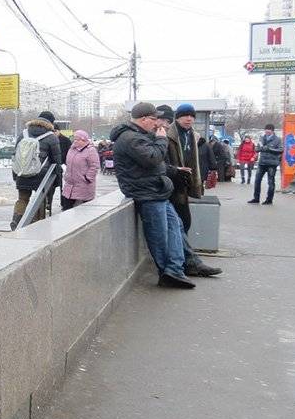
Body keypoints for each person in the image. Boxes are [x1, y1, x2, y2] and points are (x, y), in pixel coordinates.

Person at [111, 102, 194, 289]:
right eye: (154, 119)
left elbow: (155, 164)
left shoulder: (139, 135)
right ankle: (167, 272)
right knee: (159, 235)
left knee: (175, 227)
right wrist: (162, 139)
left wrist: (173, 169)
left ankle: (175, 269)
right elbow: (153, 158)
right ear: (144, 119)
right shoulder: (130, 138)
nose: (158, 123)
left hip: (156, 190)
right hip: (146, 193)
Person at [159, 104, 221, 278]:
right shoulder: (168, 134)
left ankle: (185, 262)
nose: (189, 119)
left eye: (192, 116)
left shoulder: (192, 135)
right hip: (170, 184)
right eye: (185, 115)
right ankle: (185, 264)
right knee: (179, 224)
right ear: (177, 117)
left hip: (183, 184)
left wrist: (196, 183)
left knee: (183, 223)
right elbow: (159, 161)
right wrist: (175, 170)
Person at [10, 114, 63, 229]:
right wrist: (58, 178)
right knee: (39, 200)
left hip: (22, 173)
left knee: (22, 199)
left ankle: (17, 219)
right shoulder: (51, 137)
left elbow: (15, 155)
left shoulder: (23, 134)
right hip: (41, 174)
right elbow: (57, 160)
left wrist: (15, 174)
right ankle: (35, 224)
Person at [37, 111, 70, 215]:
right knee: (46, 190)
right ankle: (45, 207)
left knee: (55, 189)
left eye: (56, 130)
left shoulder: (65, 140)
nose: (54, 132)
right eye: (53, 130)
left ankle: (56, 204)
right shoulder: (50, 138)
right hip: (49, 169)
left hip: (57, 168)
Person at [61, 130, 100, 209]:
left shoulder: (90, 150)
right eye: (74, 139)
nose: (75, 141)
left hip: (83, 184)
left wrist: (88, 178)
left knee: (82, 211)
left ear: (84, 140)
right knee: (66, 209)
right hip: (69, 184)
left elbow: (94, 166)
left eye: (77, 139)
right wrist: (66, 175)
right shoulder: (72, 149)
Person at [249, 124, 283, 205]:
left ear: (272, 131)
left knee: (270, 182)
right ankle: (256, 198)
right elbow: (257, 149)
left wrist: (269, 149)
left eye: (269, 130)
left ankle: (269, 200)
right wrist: (259, 148)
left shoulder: (278, 139)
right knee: (257, 181)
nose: (267, 131)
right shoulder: (262, 138)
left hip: (272, 163)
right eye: (266, 129)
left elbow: (281, 150)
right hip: (262, 163)